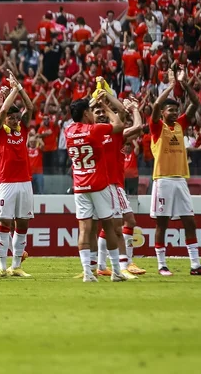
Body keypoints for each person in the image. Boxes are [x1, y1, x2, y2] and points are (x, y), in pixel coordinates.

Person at [150, 69, 201, 276]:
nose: (174, 113)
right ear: (163, 113)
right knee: (163, 222)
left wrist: (182, 83)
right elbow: (155, 105)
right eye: (170, 110)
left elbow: (195, 103)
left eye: (175, 111)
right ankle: (161, 265)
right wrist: (170, 86)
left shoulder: (180, 125)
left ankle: (195, 265)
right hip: (163, 180)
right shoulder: (157, 127)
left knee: (190, 221)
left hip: (180, 180)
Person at [65, 97, 130, 283]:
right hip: (99, 185)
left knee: (84, 229)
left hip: (80, 186)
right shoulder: (94, 130)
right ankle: (117, 271)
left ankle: (88, 273)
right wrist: (105, 107)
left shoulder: (68, 131)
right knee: (108, 226)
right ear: (87, 113)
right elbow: (118, 125)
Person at [90, 80, 145, 278]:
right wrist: (101, 99)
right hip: (107, 185)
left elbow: (125, 117)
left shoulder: (113, 133)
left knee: (113, 225)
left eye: (103, 112)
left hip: (113, 184)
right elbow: (132, 122)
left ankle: (103, 265)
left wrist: (106, 96)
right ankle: (124, 264)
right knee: (123, 223)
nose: (102, 114)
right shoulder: (92, 134)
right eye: (97, 112)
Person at [0, 72, 34, 278]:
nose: (14, 120)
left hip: (25, 183)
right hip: (6, 183)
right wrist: (14, 88)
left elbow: (30, 108)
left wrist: (20, 89)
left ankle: (16, 266)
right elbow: (3, 109)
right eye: (11, 118)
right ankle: (2, 267)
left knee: (22, 223)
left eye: (16, 118)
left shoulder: (22, 131)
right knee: (4, 224)